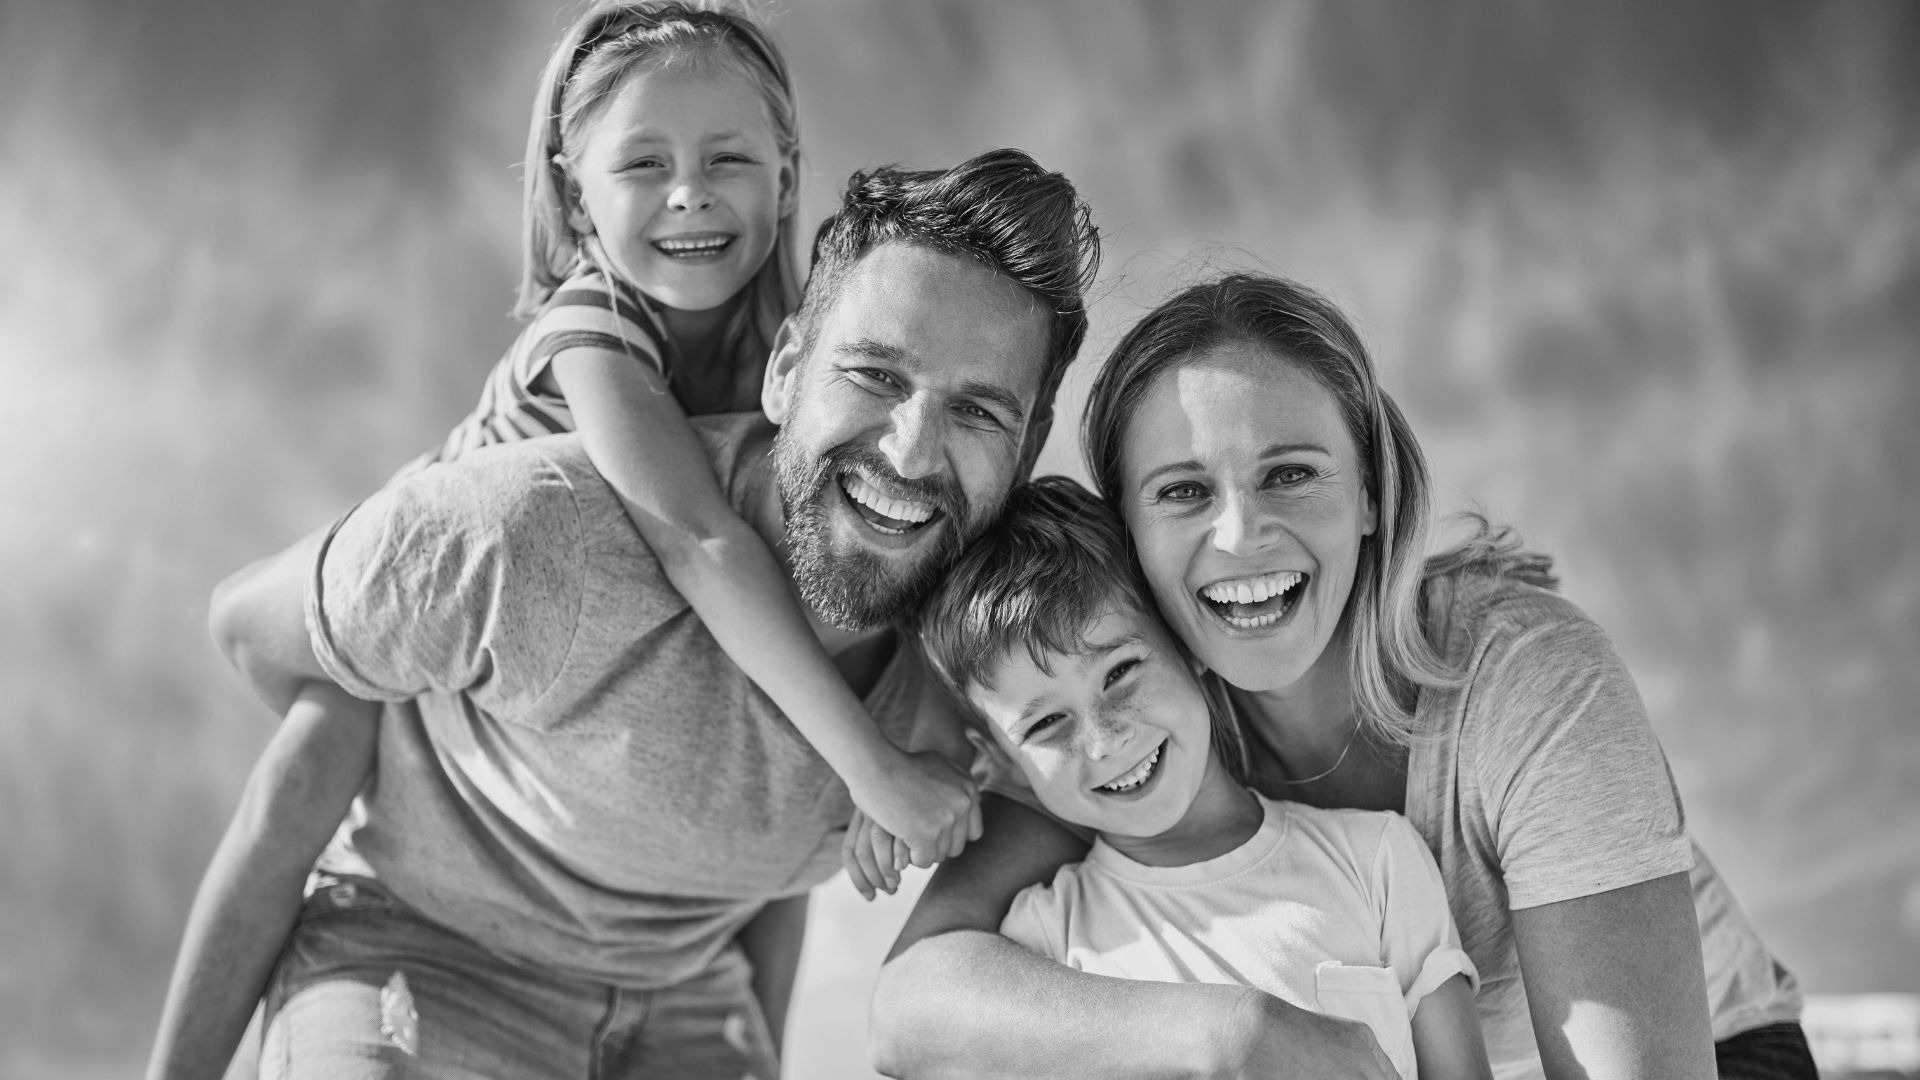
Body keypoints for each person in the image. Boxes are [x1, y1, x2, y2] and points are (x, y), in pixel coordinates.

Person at [149, 146, 1098, 1080]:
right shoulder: (533, 538)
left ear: (1026, 449)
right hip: (425, 957)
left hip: (689, 1012)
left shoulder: (998, 681)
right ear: (786, 369)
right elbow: (246, 626)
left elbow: (759, 866)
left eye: (978, 413)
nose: (910, 451)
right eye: (876, 377)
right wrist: (353, 704)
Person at [870, 275, 1813, 1080]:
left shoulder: (1526, 681)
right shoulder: (1121, 717)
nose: (1239, 537)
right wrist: (1237, 1034)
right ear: (1132, 535)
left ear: (1370, 493)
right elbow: (915, 1002)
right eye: (1184, 491)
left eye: (1290, 474)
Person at [897, 475, 1492, 1080]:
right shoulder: (1038, 946)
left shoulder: (1378, 861)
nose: (1106, 738)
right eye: (1047, 723)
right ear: (1001, 762)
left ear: (1189, 646)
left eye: (1121, 670)